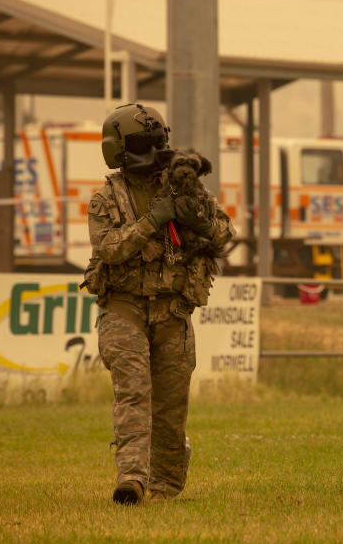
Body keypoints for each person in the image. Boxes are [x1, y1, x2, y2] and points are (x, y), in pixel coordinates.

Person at [84, 103, 234, 505]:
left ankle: (166, 484)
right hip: (124, 307)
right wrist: (153, 220)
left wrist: (199, 221)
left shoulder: (181, 184)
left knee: (171, 404)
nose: (152, 152)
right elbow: (109, 249)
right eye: (143, 144)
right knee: (133, 392)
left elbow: (224, 231)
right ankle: (132, 477)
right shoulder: (106, 198)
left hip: (172, 310)